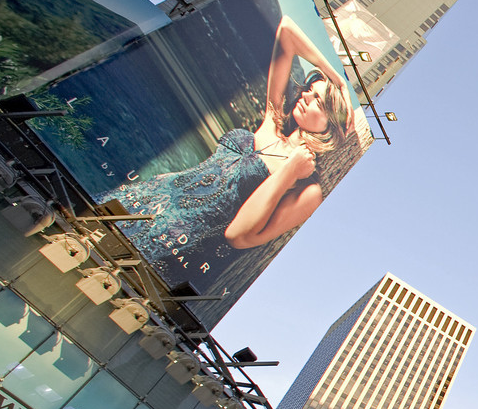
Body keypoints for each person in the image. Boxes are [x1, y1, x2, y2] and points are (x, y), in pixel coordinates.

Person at [102, 15, 352, 276]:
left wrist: (289, 170)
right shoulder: (272, 121)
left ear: (331, 126)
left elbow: (239, 236)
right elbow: (286, 29)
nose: (304, 97)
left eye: (318, 102)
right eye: (309, 91)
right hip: (143, 198)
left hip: (171, 241)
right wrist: (337, 78)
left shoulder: (308, 189)